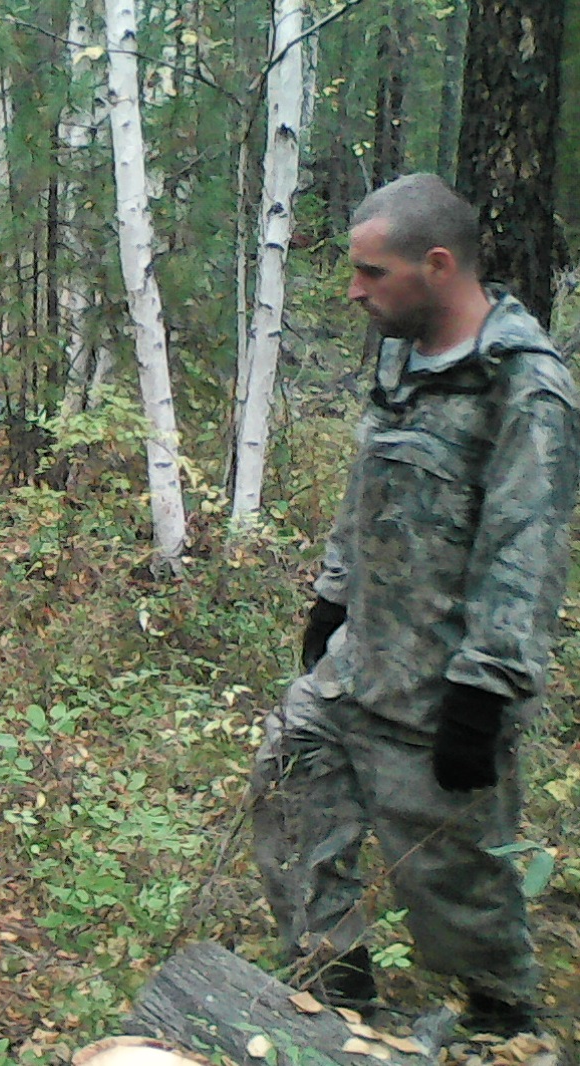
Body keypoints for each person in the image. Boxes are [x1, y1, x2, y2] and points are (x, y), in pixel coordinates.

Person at [251, 173, 578, 1038]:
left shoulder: (526, 388)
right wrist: (330, 598)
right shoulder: (404, 349)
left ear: (436, 265)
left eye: (370, 272)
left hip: (441, 700)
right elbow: (370, 484)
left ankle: (505, 1032)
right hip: (357, 667)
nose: (354, 291)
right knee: (287, 789)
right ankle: (337, 1001)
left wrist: (486, 692)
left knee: (456, 897)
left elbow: (528, 547)